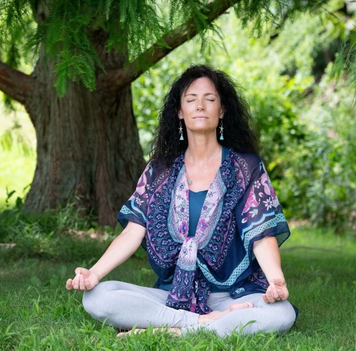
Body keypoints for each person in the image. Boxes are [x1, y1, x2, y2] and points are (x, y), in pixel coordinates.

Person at [66, 65, 297, 337]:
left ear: (222, 110)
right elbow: (132, 232)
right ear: (179, 111)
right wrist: (93, 274)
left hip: (231, 296)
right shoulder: (158, 171)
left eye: (210, 99)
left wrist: (275, 279)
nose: (200, 105)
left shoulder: (245, 168)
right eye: (191, 100)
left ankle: (170, 330)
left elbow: (261, 232)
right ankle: (201, 324)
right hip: (173, 297)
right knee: (97, 296)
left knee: (282, 313)